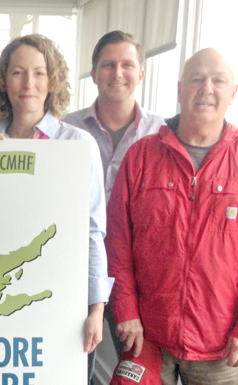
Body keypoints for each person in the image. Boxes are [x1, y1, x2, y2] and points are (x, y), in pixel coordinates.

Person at [106, 48, 238, 385]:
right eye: (196, 79)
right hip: (148, 334)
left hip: (220, 341)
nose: (206, 89)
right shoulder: (142, 156)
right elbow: (118, 243)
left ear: (234, 93)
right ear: (179, 89)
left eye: (218, 80)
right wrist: (125, 310)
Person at [0, 34, 113, 385]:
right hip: (0, 296)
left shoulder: (77, 144)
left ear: (52, 81)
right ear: (3, 80)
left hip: (60, 301)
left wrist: (96, 308)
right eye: (17, 73)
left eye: (38, 73)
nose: (28, 83)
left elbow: (93, 230)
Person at [64, 31, 165, 360]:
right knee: (72, 365)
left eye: (127, 65)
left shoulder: (162, 135)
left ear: (141, 73)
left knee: (139, 377)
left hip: (137, 277)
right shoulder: (66, 131)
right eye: (107, 65)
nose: (117, 73)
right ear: (93, 74)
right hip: (76, 270)